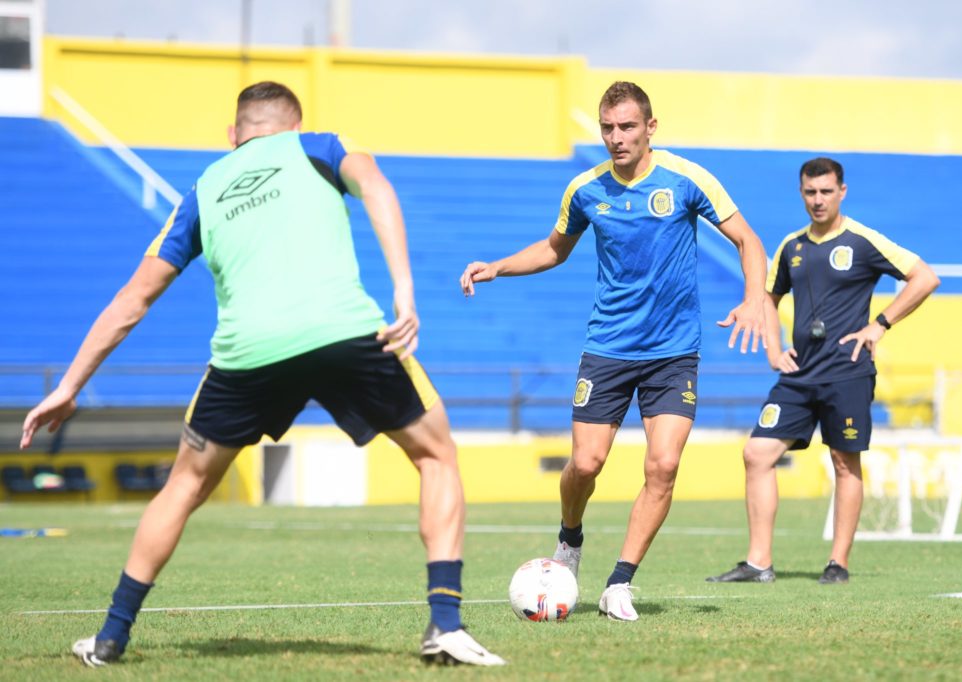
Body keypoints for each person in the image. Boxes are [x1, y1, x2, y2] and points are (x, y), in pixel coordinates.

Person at [20, 81, 505, 667]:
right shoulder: (320, 146)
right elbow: (376, 185)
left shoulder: (203, 190)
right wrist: (404, 288)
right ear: (294, 126)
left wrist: (68, 387)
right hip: (343, 332)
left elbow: (133, 300)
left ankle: (110, 637)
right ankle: (446, 626)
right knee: (435, 454)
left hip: (246, 354)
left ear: (234, 135)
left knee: (184, 486)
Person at [460, 81, 767, 621]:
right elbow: (554, 248)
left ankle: (619, 582)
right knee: (585, 463)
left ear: (650, 127)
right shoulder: (585, 189)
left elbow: (748, 240)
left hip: (673, 352)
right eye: (607, 128)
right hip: (608, 347)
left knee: (663, 465)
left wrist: (754, 298)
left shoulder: (686, 179)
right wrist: (498, 267)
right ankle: (569, 538)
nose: (616, 137)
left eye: (627, 126)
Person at [707, 157, 940, 585]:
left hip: (848, 372)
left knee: (844, 461)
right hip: (798, 375)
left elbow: (924, 277)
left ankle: (838, 563)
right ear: (801, 193)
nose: (818, 200)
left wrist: (879, 325)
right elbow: (768, 298)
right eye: (810, 192)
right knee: (757, 453)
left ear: (842, 192)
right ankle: (758, 563)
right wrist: (773, 349)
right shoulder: (791, 245)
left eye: (826, 192)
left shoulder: (862, 240)